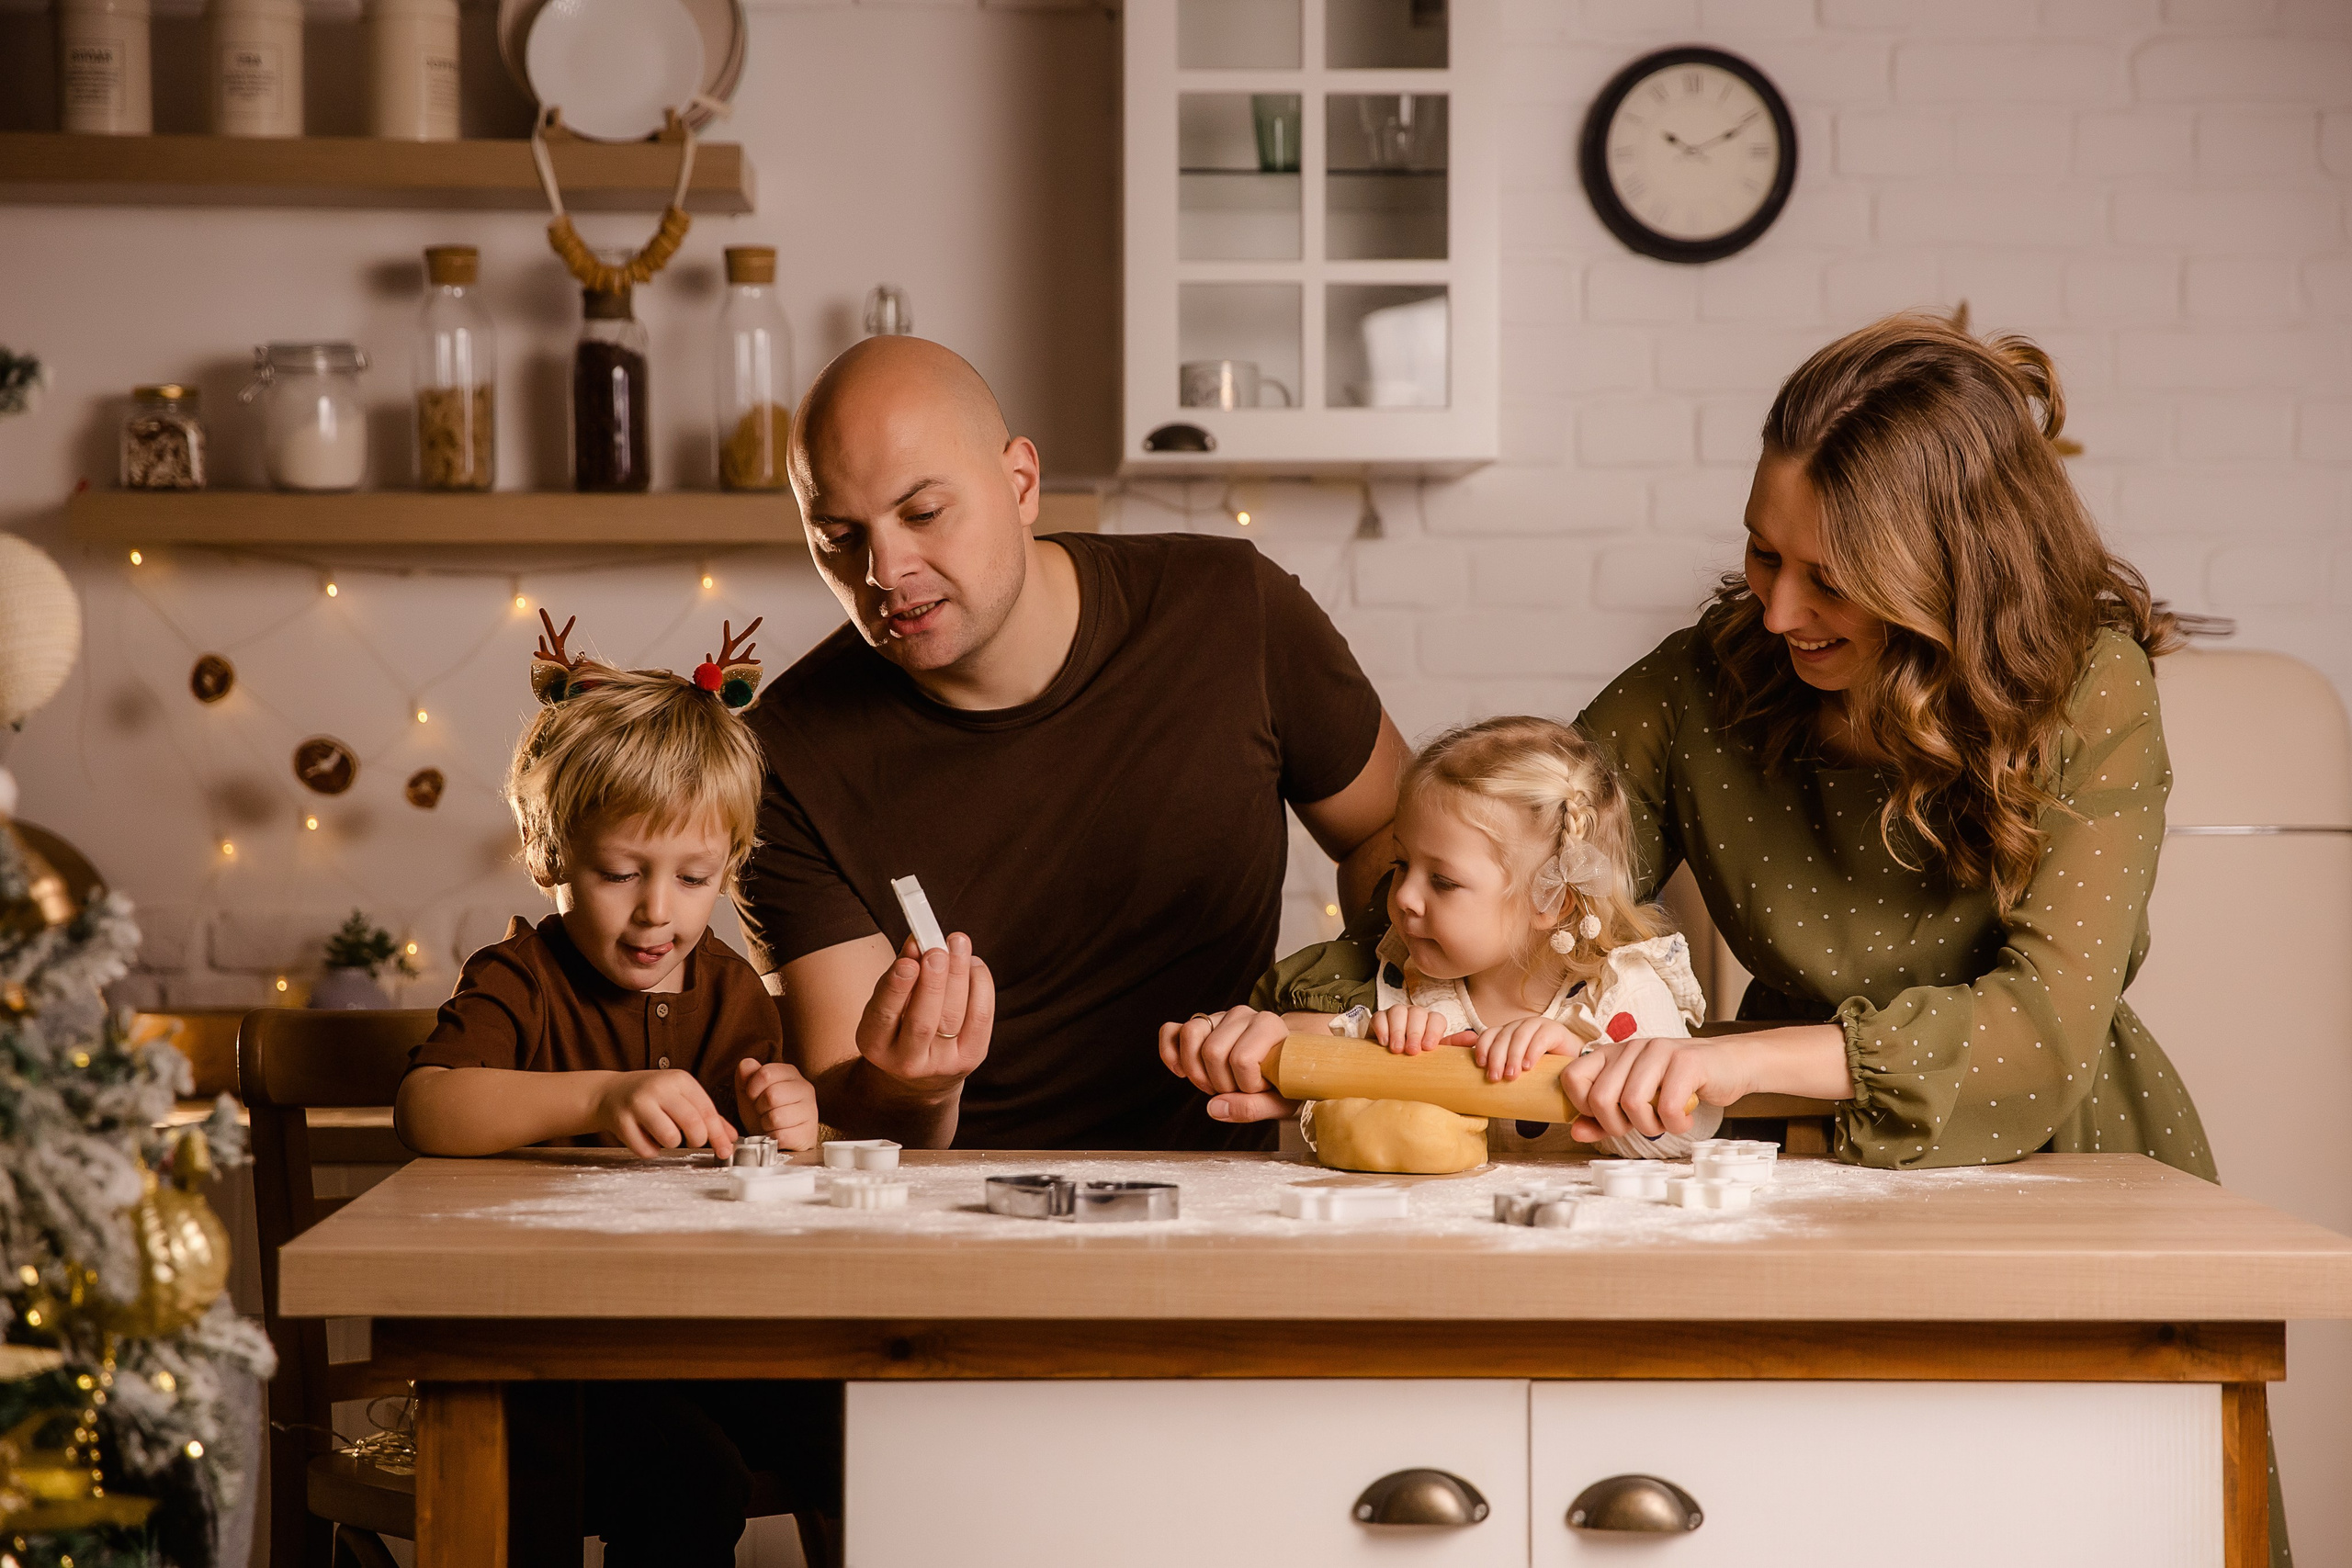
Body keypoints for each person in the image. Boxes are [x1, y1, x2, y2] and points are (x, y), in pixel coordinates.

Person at [736, 335, 1407, 1150]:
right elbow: (846, 1100)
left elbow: (1394, 838)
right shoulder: (782, 759)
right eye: (839, 535)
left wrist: (1336, 1023)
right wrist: (914, 1086)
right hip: (951, 1215)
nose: (883, 569)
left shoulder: (1235, 611)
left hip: (1223, 1191)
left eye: (922, 513)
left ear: (1021, 482)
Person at [396, 615, 836, 1567]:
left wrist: (793, 1119)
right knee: (689, 1479)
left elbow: (772, 1154)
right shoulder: (520, 979)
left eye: (692, 877)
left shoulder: (728, 989)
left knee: (867, 1429)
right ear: (552, 855)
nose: (656, 910)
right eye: (619, 873)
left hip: (700, 1342)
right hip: (545, 1365)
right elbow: (428, 1106)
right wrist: (598, 1100)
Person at [1157, 715, 1713, 1158]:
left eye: (1443, 881)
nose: (1402, 896)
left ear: (1554, 901)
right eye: (1401, 864)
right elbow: (1307, 1057)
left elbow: (1685, 1134)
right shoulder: (1408, 982)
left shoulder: (1621, 995)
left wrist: (1582, 1067)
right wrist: (1378, 1051)